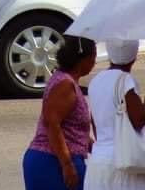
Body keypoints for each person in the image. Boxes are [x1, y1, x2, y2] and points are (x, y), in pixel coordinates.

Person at [85, 39, 145, 190]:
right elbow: (138, 119)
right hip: (123, 163)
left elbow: (95, 123)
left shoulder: (95, 81)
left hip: (98, 163)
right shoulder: (126, 80)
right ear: (133, 57)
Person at [23, 35, 96, 190]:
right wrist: (67, 164)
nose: (94, 63)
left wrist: (95, 148)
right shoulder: (65, 85)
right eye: (93, 58)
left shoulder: (66, 80)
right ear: (82, 60)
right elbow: (51, 124)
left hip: (60, 158)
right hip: (52, 161)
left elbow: (71, 128)